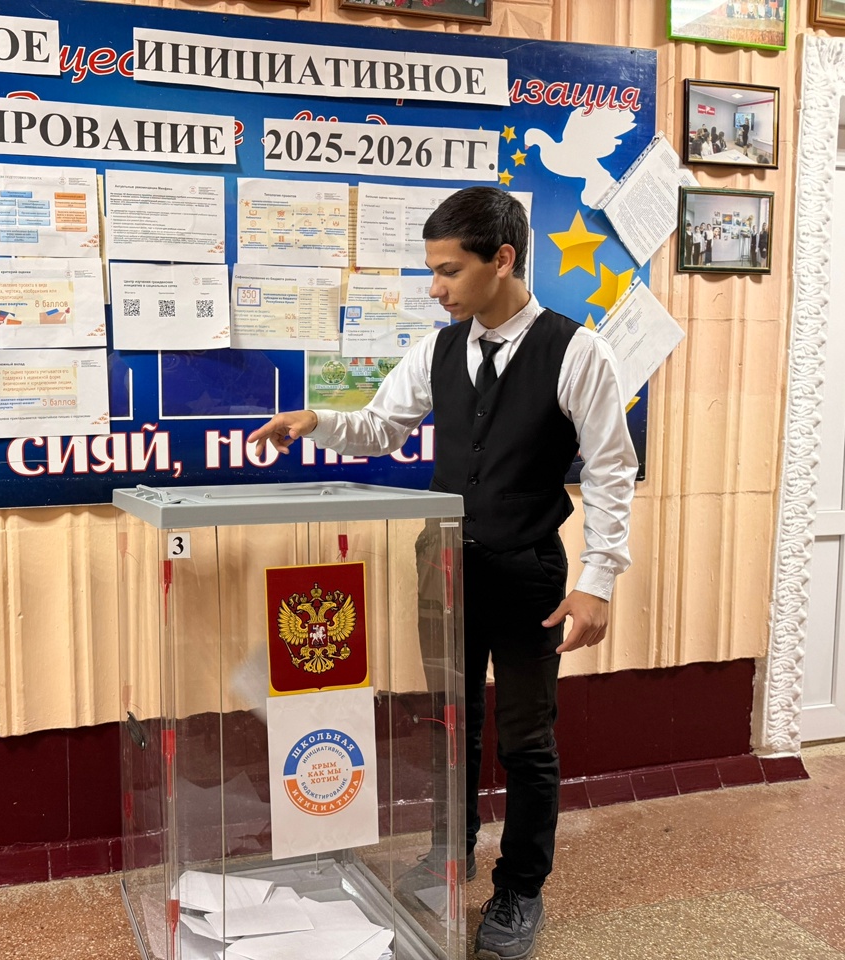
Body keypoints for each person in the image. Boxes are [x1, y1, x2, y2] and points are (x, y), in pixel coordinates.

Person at [247, 187, 637, 960]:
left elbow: (611, 469)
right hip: (444, 565)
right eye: (432, 270)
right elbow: (381, 427)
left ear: (504, 260)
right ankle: (448, 854)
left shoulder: (577, 352)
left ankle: (520, 888)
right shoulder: (437, 350)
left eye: (449, 270)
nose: (435, 288)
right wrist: (316, 421)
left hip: (528, 571)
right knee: (449, 721)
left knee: (526, 737)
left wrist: (597, 581)